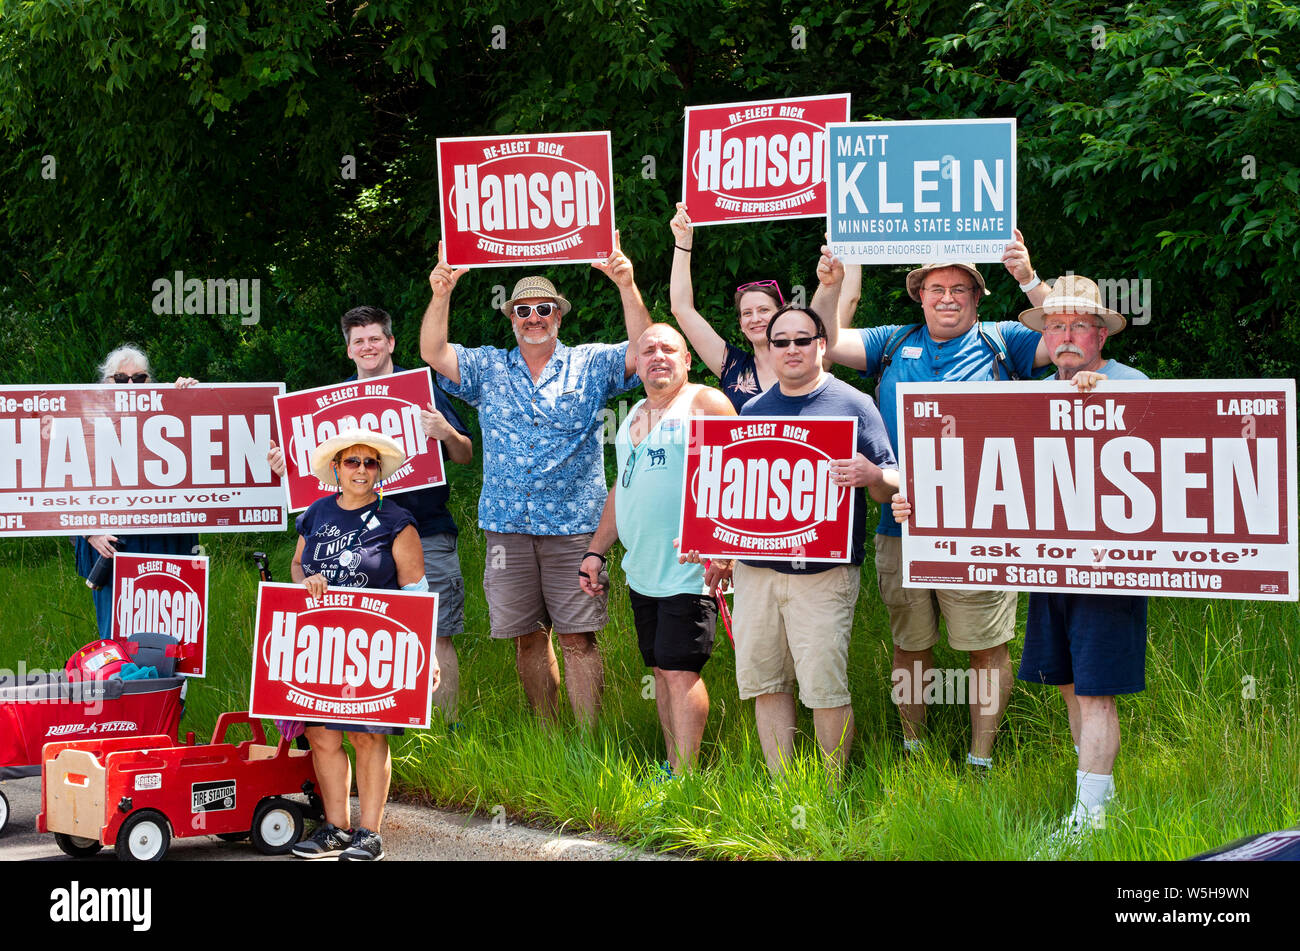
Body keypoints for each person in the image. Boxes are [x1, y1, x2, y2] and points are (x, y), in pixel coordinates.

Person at [892, 275, 1147, 846]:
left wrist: (1106, 398)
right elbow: (982, 474)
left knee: (1095, 689)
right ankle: (1094, 799)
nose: (1065, 335)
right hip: (1048, 569)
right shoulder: (1033, 394)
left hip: (1109, 570)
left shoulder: (1128, 382)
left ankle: (1093, 817)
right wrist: (918, 499)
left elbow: (1159, 460)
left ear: (1101, 332)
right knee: (1069, 683)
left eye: (1079, 324)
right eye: (1055, 325)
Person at [822, 234, 1053, 770]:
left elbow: (1069, 337)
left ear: (978, 297)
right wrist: (830, 285)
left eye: (959, 289)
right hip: (898, 523)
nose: (947, 298)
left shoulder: (1006, 342)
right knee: (911, 646)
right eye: (935, 288)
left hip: (980, 528)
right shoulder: (890, 341)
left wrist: (1027, 277)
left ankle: (981, 760)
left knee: (984, 649)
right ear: (919, 295)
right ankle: (913, 749)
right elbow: (825, 340)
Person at [420, 236, 651, 726]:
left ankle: (589, 744)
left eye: (544, 308)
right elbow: (434, 352)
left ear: (559, 316)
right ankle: (547, 737)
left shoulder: (590, 364)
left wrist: (626, 284)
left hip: (574, 529)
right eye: (523, 309)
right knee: (529, 637)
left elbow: (644, 350)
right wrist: (441, 291)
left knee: (578, 638)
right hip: (508, 529)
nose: (534, 317)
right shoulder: (489, 367)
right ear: (511, 318)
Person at [732, 253, 899, 776]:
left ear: (821, 345)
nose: (791, 349)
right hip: (756, 573)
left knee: (824, 688)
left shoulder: (852, 403)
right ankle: (785, 791)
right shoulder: (752, 411)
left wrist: (873, 475)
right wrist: (711, 542)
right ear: (770, 349)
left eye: (802, 340)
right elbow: (735, 497)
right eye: (781, 342)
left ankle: (829, 792)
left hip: (822, 575)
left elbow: (893, 481)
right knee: (766, 683)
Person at [268, 305, 473, 724]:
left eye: (375, 338)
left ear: (391, 342)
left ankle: (445, 730)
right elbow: (314, 479)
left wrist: (446, 432)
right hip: (357, 543)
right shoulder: (329, 404)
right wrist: (284, 466)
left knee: (436, 632)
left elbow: (465, 454)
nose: (368, 347)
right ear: (348, 350)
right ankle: (376, 721)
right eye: (358, 341)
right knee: (362, 635)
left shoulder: (422, 389)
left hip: (426, 532)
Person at [577, 324, 736, 774]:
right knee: (662, 671)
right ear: (637, 364)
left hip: (690, 568)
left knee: (680, 671)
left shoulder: (703, 404)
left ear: (688, 360)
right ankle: (672, 769)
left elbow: (734, 476)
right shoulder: (632, 417)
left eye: (670, 348)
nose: (658, 356)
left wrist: (719, 546)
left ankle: (685, 780)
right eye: (648, 350)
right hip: (643, 570)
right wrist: (595, 552)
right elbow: (622, 490)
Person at [289, 428, 438, 861]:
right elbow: (298, 564)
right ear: (335, 468)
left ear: (378, 471)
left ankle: (369, 833)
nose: (360, 470)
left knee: (366, 735)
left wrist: (425, 653)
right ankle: (335, 828)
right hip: (318, 643)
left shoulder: (396, 519)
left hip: (374, 642)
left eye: (369, 463)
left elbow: (416, 590)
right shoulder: (315, 513)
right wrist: (306, 581)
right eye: (351, 462)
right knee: (322, 734)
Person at [73, 346, 199, 639]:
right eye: (120, 378)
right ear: (106, 383)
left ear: (149, 383)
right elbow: (60, 493)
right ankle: (120, 685)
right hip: (116, 550)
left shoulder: (172, 415)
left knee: (171, 636)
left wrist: (194, 399)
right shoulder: (85, 425)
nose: (130, 386)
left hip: (166, 544)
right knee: (118, 639)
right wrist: (88, 531)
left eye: (139, 378)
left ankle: (168, 687)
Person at [669, 202, 841, 411]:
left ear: (781, 315)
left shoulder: (808, 353)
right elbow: (681, 308)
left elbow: (844, 297)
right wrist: (683, 241)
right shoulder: (733, 366)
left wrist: (844, 246)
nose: (756, 318)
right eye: (747, 313)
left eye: (764, 310)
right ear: (741, 324)